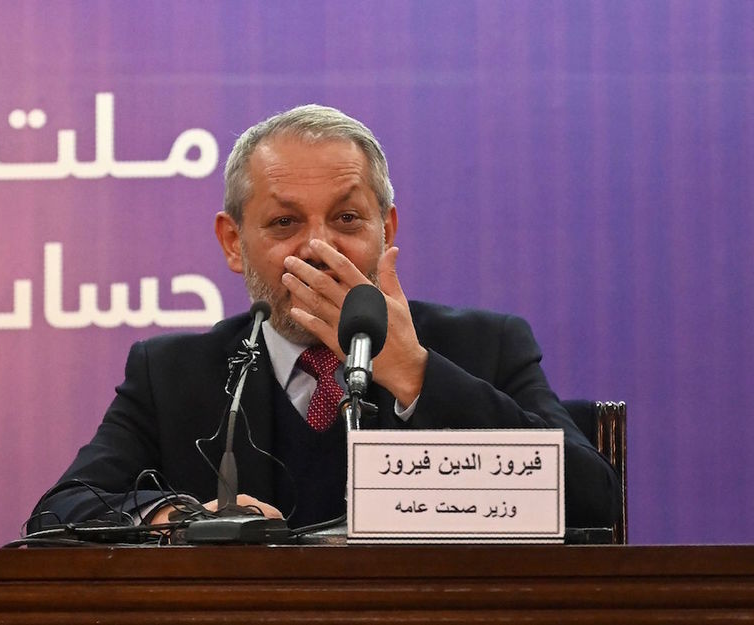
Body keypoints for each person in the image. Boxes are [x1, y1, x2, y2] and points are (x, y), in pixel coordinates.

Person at [30, 105, 621, 532]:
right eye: (285, 224)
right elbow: (59, 511)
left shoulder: (485, 347)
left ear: (386, 230)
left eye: (346, 220)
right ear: (234, 243)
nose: (319, 247)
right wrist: (172, 515)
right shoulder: (174, 374)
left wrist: (415, 374)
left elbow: (595, 503)